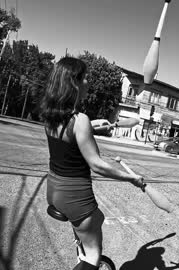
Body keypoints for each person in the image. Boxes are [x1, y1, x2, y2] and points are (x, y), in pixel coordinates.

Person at [40, 57, 144, 270]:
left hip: (54, 190)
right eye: (85, 78)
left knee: (92, 226)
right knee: (93, 256)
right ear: (74, 83)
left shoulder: (50, 115)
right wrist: (130, 178)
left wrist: (92, 126)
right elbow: (96, 165)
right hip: (76, 197)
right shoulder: (80, 121)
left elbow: (68, 137)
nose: (89, 82)